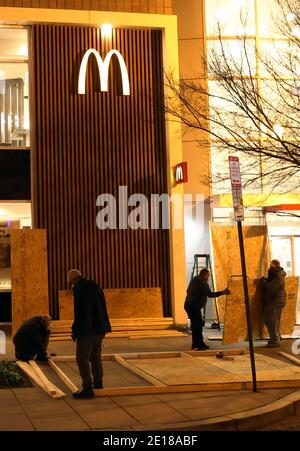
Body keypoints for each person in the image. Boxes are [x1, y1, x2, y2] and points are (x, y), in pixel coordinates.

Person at [67, 269, 111, 399]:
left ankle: (87, 388)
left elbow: (81, 313)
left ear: (73, 280)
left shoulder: (80, 289)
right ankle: (98, 384)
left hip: (87, 331)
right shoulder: (95, 286)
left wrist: (76, 330)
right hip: (101, 329)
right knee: (96, 357)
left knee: (82, 359)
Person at [184, 268, 230, 351]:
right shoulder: (202, 283)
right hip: (193, 306)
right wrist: (223, 292)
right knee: (197, 326)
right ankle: (197, 345)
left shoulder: (195, 279)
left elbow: (187, 291)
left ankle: (199, 344)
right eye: (208, 276)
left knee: (197, 325)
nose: (208, 278)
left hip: (188, 305)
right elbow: (210, 294)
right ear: (205, 275)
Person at [261, 263, 286, 348]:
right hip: (275, 302)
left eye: (271, 267)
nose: (269, 268)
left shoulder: (278, 277)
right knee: (272, 322)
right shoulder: (277, 276)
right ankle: (274, 339)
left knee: (272, 322)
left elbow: (269, 289)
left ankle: (275, 341)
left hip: (274, 302)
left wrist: (263, 281)